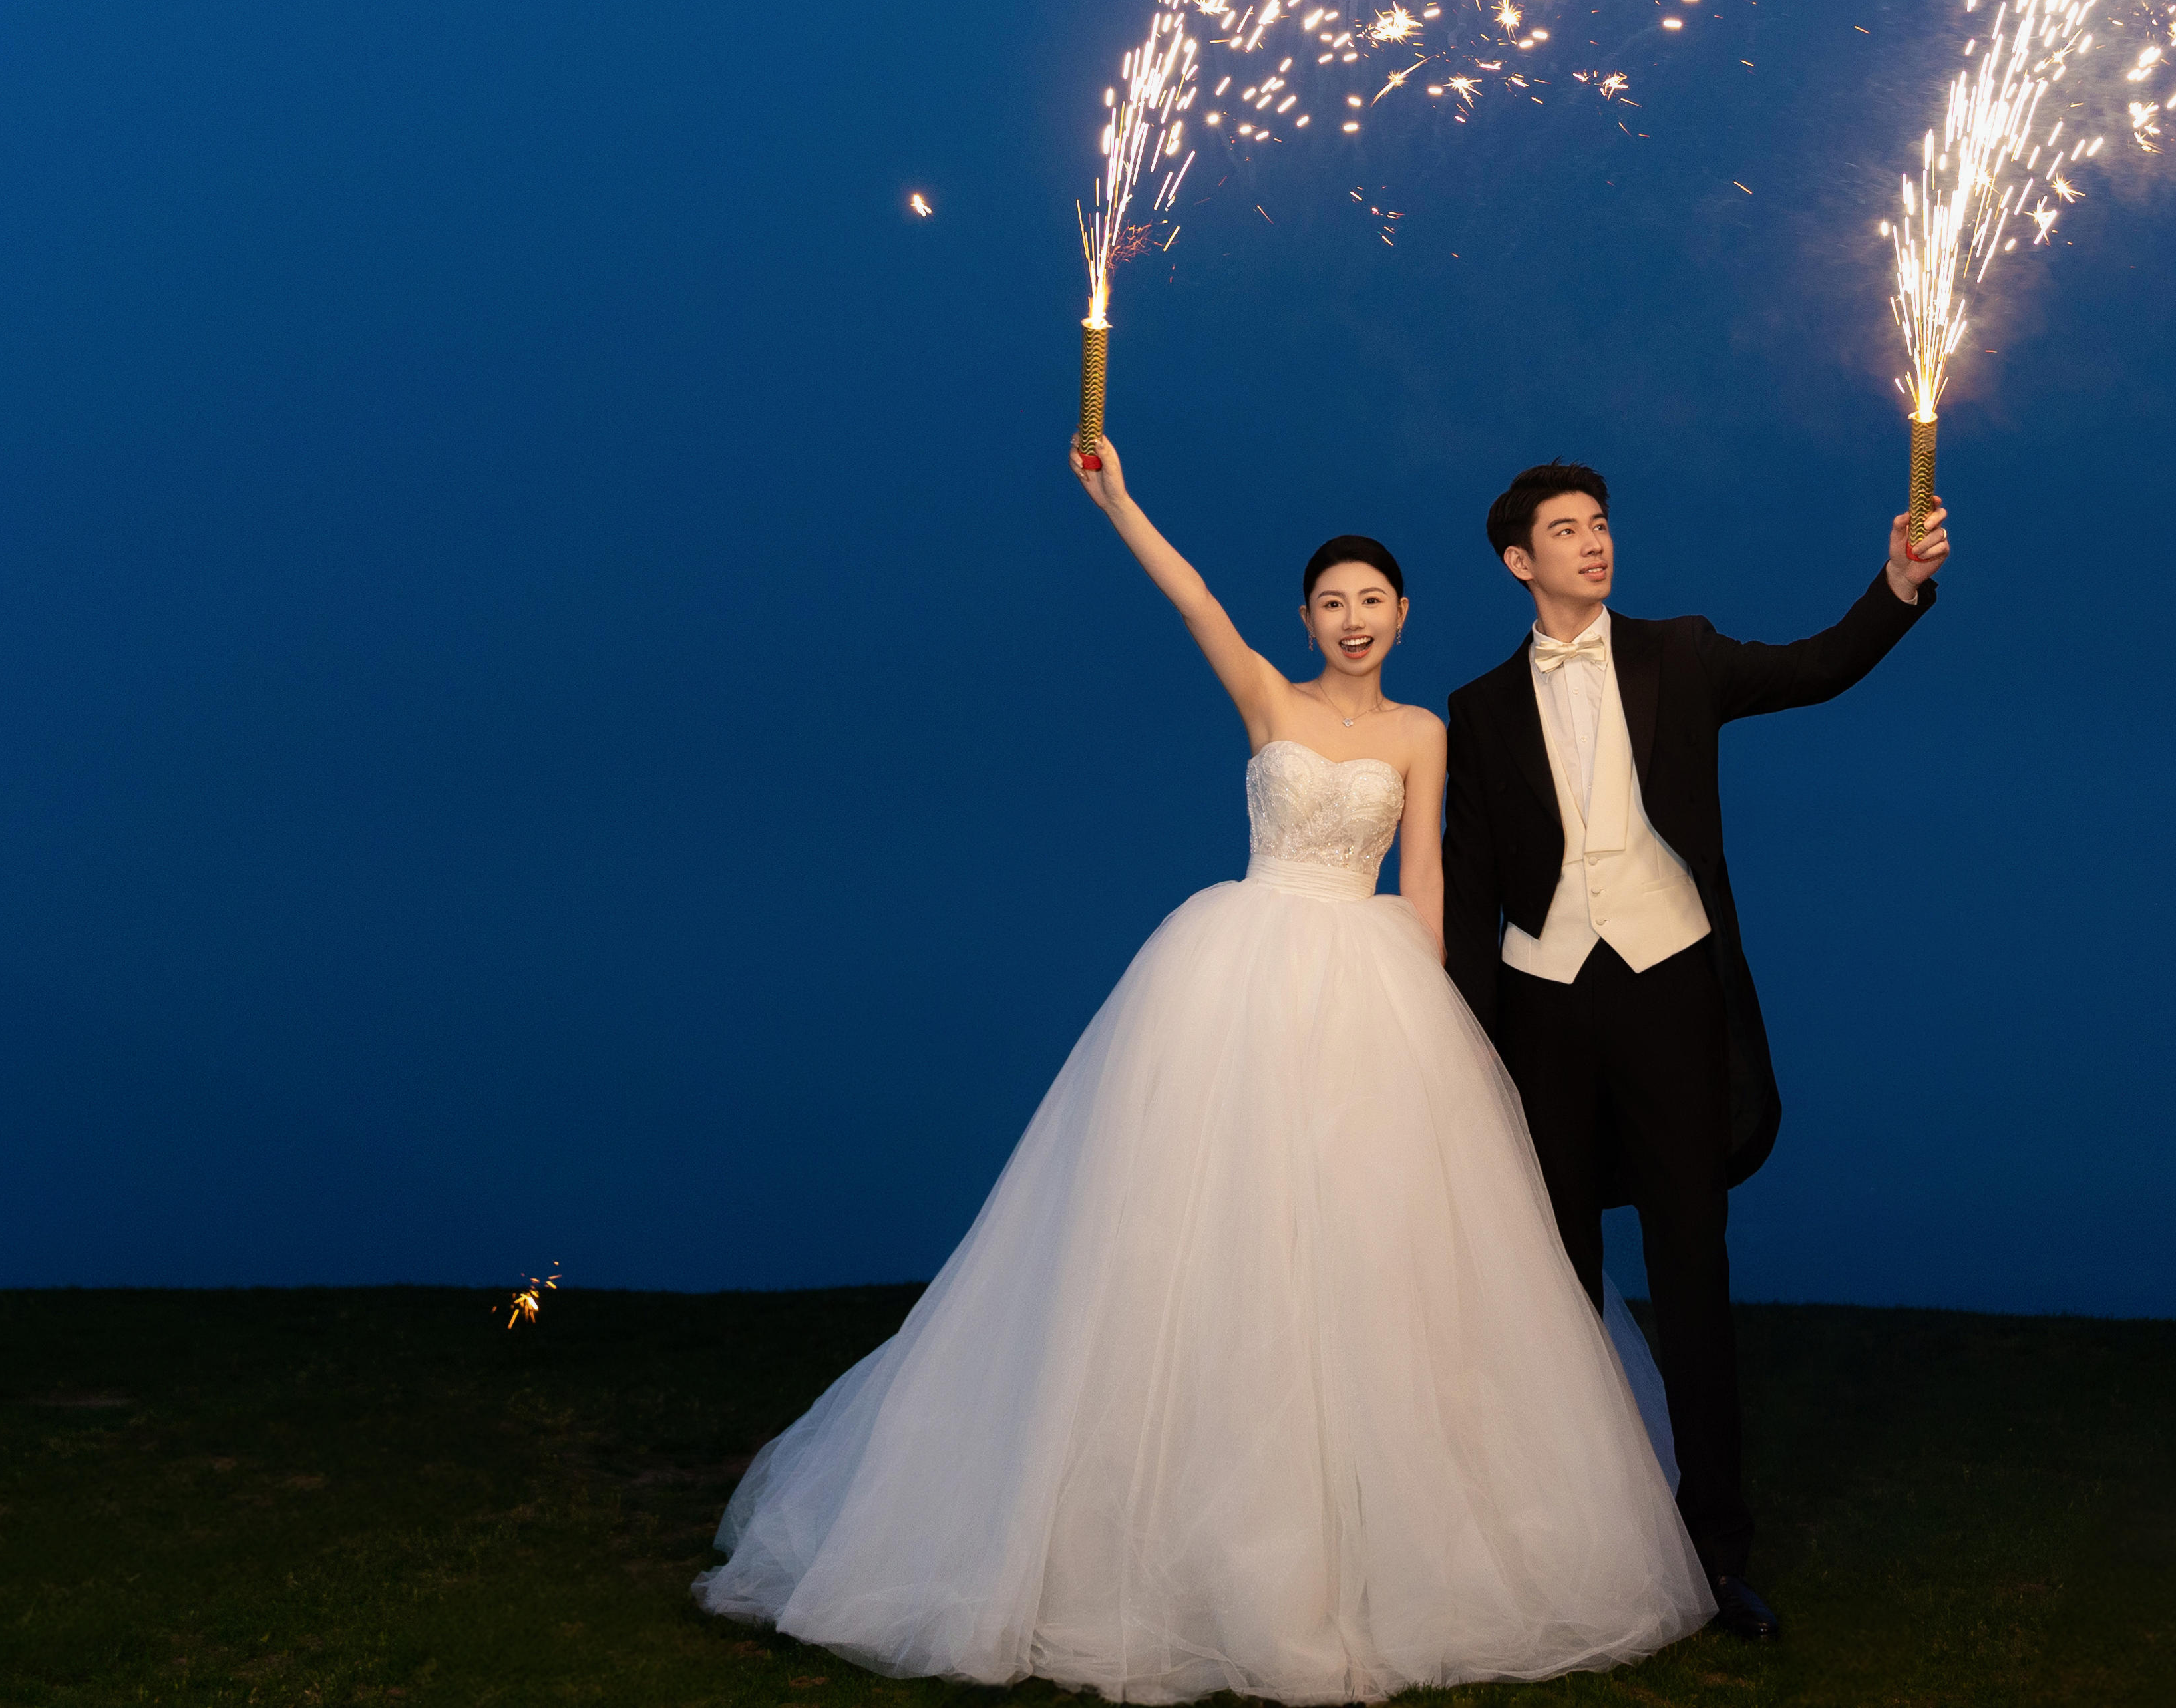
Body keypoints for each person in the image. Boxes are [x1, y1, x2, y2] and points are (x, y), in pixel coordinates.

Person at [691, 436, 1709, 1704]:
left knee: (1369, 1246)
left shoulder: (1422, 731)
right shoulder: (1269, 703)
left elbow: (1431, 877)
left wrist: (1444, 1018)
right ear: (1306, 618)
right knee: (1195, 1233)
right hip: (1235, 969)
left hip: (1369, 977)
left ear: (1405, 614)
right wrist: (1119, 500)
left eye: (1372, 600)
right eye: (1330, 602)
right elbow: (1192, 600)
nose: (1351, 619)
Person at [1442, 461, 1950, 1645]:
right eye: (1567, 531)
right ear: (1520, 562)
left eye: (1602, 525)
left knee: (1693, 1274)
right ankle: (1564, 1543)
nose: (1595, 543)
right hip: (1541, 1007)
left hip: (1672, 989)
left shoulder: (1682, 652)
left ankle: (1716, 1557)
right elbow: (1470, 888)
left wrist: (1898, 585)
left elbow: (1819, 666)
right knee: (1555, 1282)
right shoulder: (1477, 707)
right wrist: (1465, 1038)